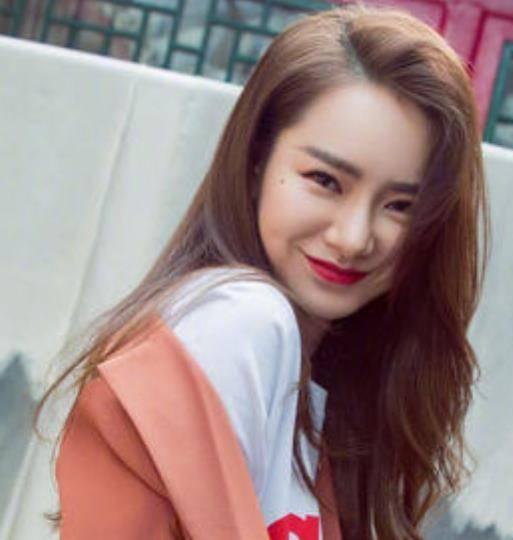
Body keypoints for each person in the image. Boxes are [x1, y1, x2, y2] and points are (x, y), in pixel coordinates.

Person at [36, 3, 489, 539]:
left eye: (400, 206)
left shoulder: (317, 393)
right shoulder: (243, 320)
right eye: (325, 180)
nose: (354, 238)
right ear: (256, 163)